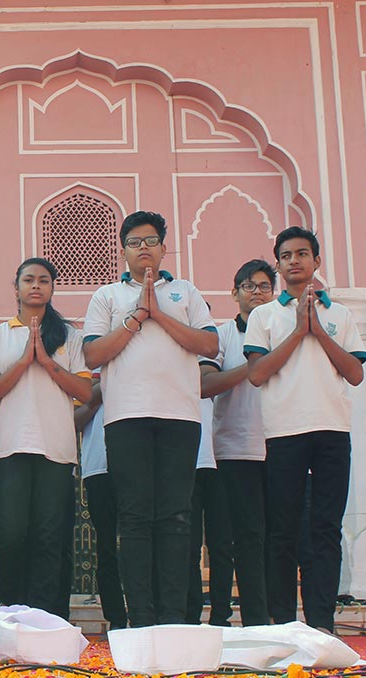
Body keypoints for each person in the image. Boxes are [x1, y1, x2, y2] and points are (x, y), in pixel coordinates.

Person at [82, 211, 218, 627]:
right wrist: (137, 316)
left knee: (176, 517)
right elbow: (93, 354)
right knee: (135, 517)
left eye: (151, 241)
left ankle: (173, 618)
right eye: (135, 242)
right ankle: (140, 618)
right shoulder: (107, 296)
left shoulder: (185, 291)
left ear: (163, 248)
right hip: (125, 418)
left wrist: (159, 313)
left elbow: (209, 344)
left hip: (180, 417)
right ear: (123, 251)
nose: (144, 248)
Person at [245, 226, 366, 632]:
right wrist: (298, 330)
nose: (294, 261)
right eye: (286, 255)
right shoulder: (264, 315)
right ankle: (285, 624)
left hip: (332, 430)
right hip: (284, 433)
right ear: (278, 265)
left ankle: (322, 623)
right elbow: (257, 374)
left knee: (326, 529)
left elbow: (355, 373)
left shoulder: (340, 315)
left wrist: (316, 329)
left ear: (316, 261)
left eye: (301, 254)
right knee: (282, 530)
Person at [0, 258, 92, 617]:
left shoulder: (69, 336)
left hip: (55, 450)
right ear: (16, 288)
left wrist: (46, 360)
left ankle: (48, 619)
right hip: (8, 449)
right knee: (11, 537)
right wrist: (23, 361)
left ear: (52, 288)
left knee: (50, 538)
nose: (36, 286)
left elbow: (85, 392)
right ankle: (13, 614)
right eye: (28, 279)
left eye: (44, 280)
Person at [200, 260, 276, 626]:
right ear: (235, 293)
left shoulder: (284, 332)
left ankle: (271, 619)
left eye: (264, 286)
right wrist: (255, 366)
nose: (257, 292)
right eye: (249, 286)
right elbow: (205, 385)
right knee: (234, 539)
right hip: (234, 449)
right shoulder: (223, 335)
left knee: (273, 538)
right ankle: (238, 619)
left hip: (281, 446)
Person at [75, 373, 128, 630]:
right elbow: (75, 420)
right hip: (98, 467)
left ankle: (144, 613)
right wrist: (100, 388)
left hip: (136, 465)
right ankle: (116, 618)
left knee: (139, 542)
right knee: (106, 547)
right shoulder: (85, 367)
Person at [185, 396, 234, 626]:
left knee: (221, 546)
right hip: (188, 463)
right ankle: (190, 615)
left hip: (221, 460)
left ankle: (221, 615)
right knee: (189, 546)